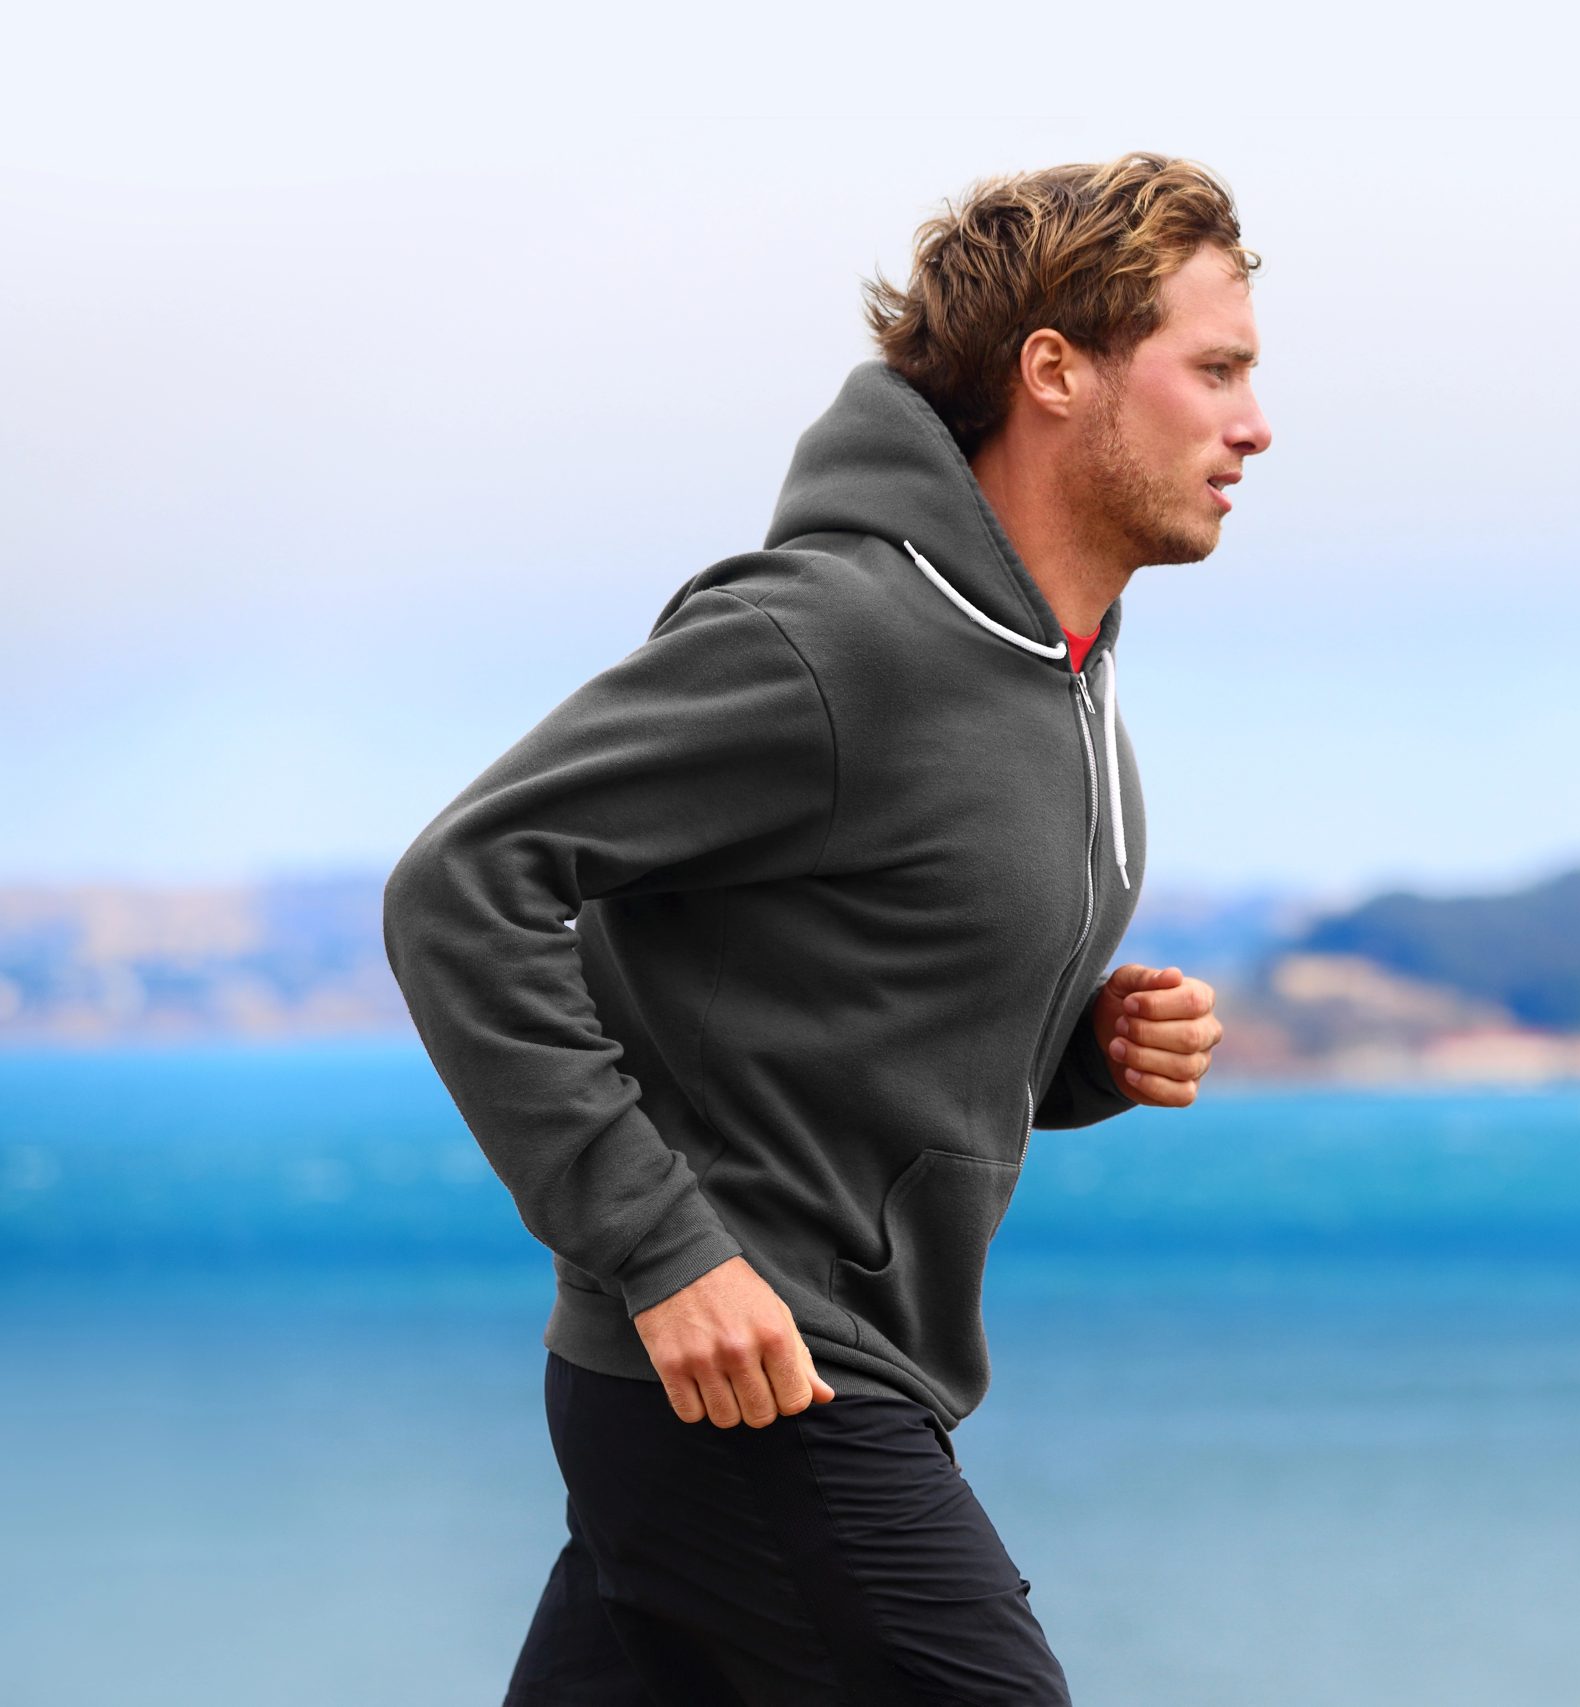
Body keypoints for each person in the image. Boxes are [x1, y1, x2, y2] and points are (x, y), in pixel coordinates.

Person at [380, 151, 1271, 1705]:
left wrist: (1082, 1058)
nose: (1254, 425)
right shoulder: (831, 638)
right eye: (1216, 371)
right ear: (1054, 374)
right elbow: (465, 885)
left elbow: (834, 995)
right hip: (757, 1383)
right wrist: (665, 1255)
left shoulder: (1060, 680)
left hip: (781, 1386)